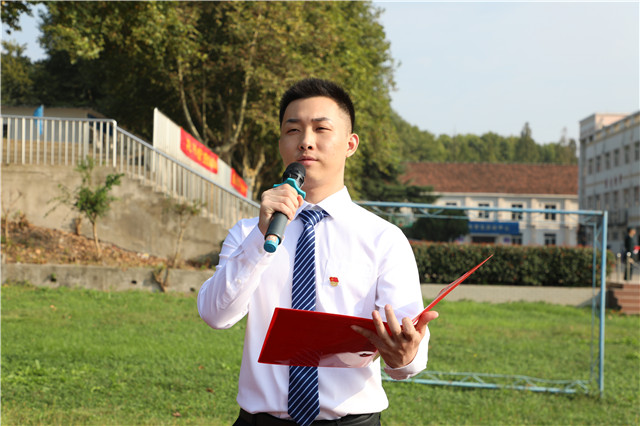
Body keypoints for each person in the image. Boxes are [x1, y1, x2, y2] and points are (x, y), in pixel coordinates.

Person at [197, 78, 438, 425]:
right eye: (293, 130)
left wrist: (405, 355)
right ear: (281, 143)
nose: (306, 141)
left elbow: (407, 358)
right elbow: (215, 315)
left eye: (321, 129)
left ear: (351, 144)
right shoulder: (249, 232)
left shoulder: (383, 239)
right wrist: (260, 240)